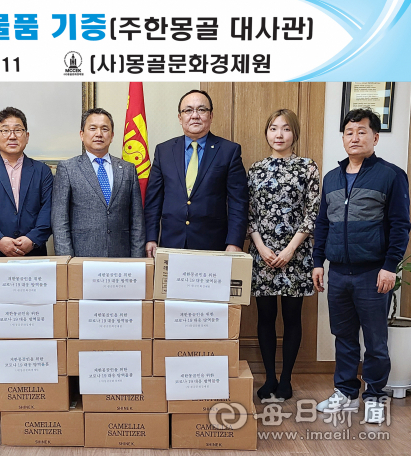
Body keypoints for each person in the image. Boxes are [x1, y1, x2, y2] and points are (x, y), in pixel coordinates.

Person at [313, 108, 410, 423]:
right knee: (343, 337)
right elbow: (323, 225)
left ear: (375, 137)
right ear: (343, 137)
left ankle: (375, 397)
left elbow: (400, 225)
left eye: (361, 131)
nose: (354, 137)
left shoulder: (391, 175)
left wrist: (390, 266)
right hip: (339, 272)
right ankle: (345, 393)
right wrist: (317, 263)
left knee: (376, 341)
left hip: (373, 273)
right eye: (349, 132)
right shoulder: (332, 178)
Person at [247, 109, 320, 401]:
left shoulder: (307, 167)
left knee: (292, 317)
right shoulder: (255, 169)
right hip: (262, 255)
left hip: (296, 255)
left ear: (295, 133)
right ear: (267, 133)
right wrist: (261, 247)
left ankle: (286, 378)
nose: (279, 134)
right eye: (274, 128)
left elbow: (313, 213)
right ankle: (269, 378)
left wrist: (290, 249)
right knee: (265, 317)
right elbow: (248, 214)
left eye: (286, 128)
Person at [144, 89, 248, 256]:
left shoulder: (229, 151)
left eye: (201, 109)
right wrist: (151, 237)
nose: (195, 115)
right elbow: (153, 201)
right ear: (180, 117)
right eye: (188, 110)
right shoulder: (164, 151)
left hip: (213, 244)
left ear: (211, 116)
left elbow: (238, 202)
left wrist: (234, 242)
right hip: (172, 243)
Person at [51, 108, 145, 257]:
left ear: (112, 136)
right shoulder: (68, 168)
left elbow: (137, 221)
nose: (99, 134)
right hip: (81, 257)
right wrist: (67, 260)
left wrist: (137, 260)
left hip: (121, 257)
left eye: (104, 129)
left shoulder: (128, 169)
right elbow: (59, 221)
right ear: (82, 134)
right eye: (93, 128)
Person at [0, 107, 52, 261]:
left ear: (27, 136)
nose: (12, 136)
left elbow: (49, 209)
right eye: (5, 131)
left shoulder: (42, 171)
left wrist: (32, 239)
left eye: (18, 130)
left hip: (34, 253)